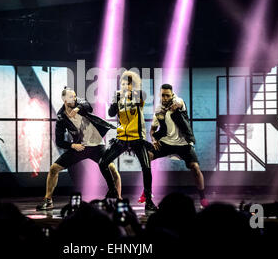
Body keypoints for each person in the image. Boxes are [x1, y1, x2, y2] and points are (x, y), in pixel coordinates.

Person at [36, 87, 121, 210]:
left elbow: (87, 106)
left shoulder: (80, 104)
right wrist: (72, 145)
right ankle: (48, 201)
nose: (74, 99)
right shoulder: (61, 117)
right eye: (71, 97)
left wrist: (76, 109)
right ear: (64, 99)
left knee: (112, 168)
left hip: (97, 145)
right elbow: (59, 141)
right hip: (80, 147)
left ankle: (118, 199)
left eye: (75, 96)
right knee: (54, 169)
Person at [137, 83, 208, 207]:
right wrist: (154, 139)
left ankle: (203, 198)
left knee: (195, 168)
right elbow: (153, 130)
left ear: (172, 95)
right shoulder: (158, 110)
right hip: (166, 143)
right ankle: (146, 192)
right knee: (147, 158)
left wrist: (176, 105)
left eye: (167, 96)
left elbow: (179, 103)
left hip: (184, 144)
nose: (165, 98)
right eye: (162, 95)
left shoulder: (178, 102)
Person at [99, 70, 158, 211]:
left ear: (134, 85)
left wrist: (128, 93)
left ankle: (149, 200)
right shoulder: (119, 97)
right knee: (103, 163)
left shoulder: (139, 95)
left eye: (128, 84)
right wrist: (115, 100)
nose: (125, 86)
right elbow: (111, 113)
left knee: (146, 167)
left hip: (137, 138)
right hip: (122, 138)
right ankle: (112, 189)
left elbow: (140, 96)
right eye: (123, 83)